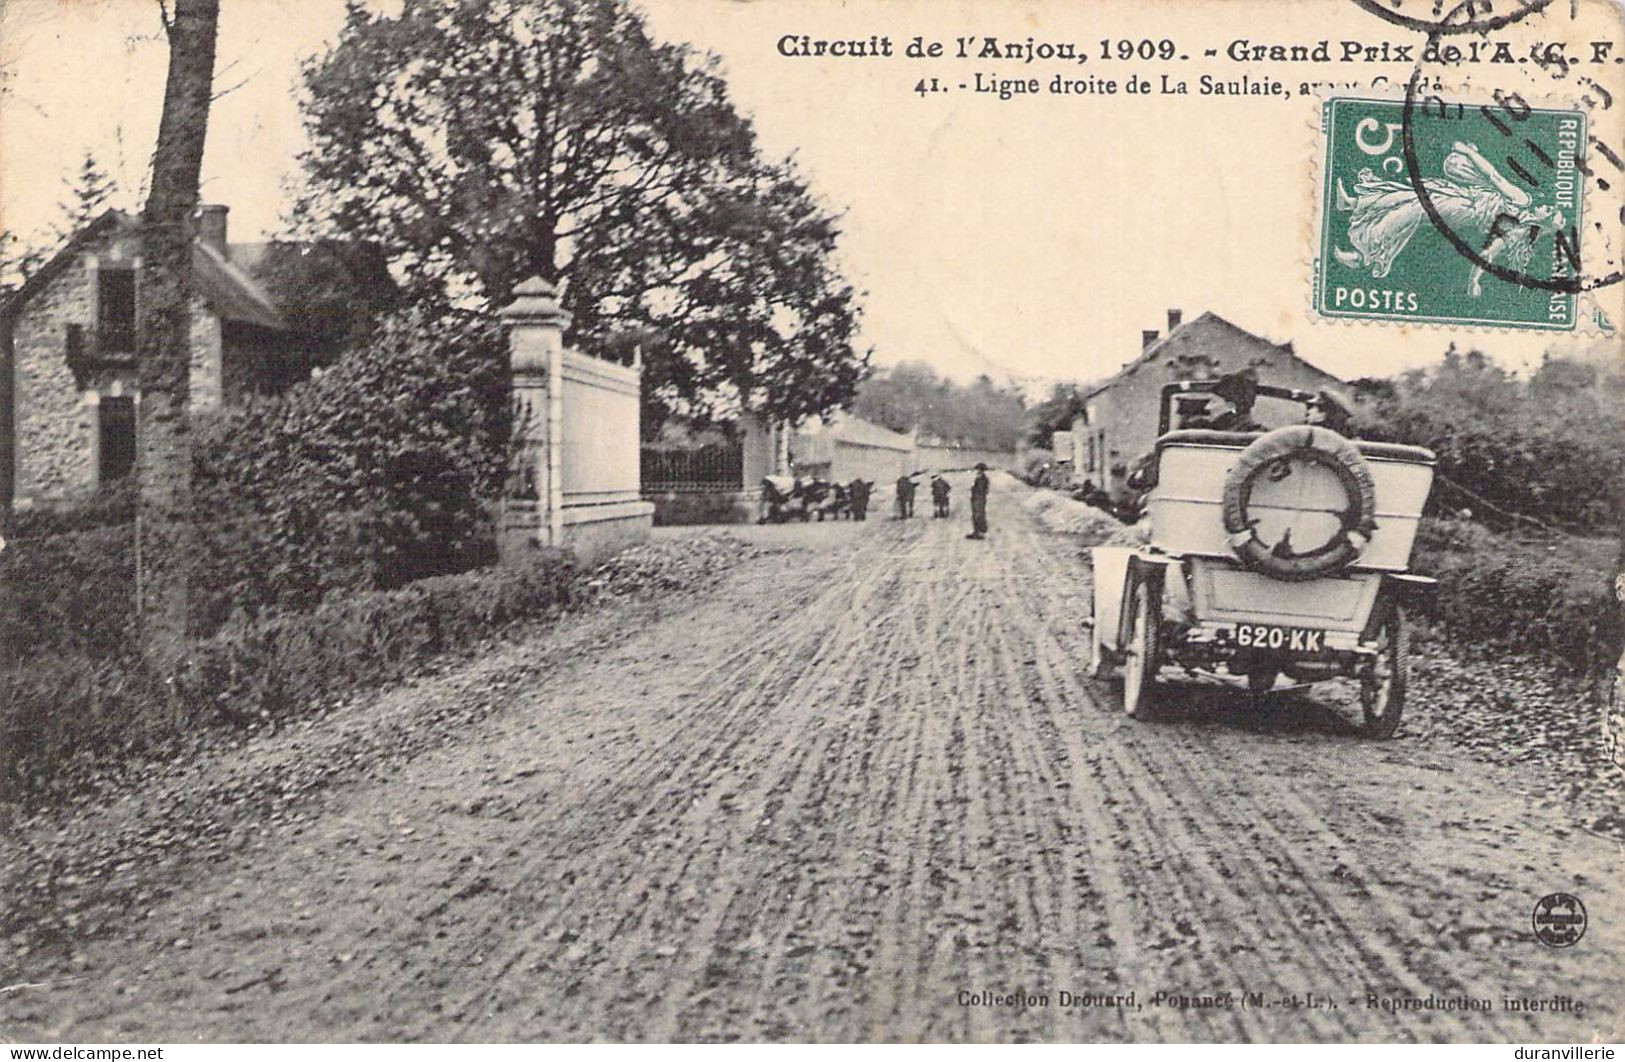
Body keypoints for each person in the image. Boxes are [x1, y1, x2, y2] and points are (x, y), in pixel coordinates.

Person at [967, 462, 990, 539]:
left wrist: (973, 489)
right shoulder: (980, 478)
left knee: (979, 515)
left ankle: (980, 532)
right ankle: (977, 531)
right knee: (976, 514)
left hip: (979, 498)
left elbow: (981, 489)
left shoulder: (982, 479)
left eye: (978, 469)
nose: (977, 471)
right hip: (977, 498)